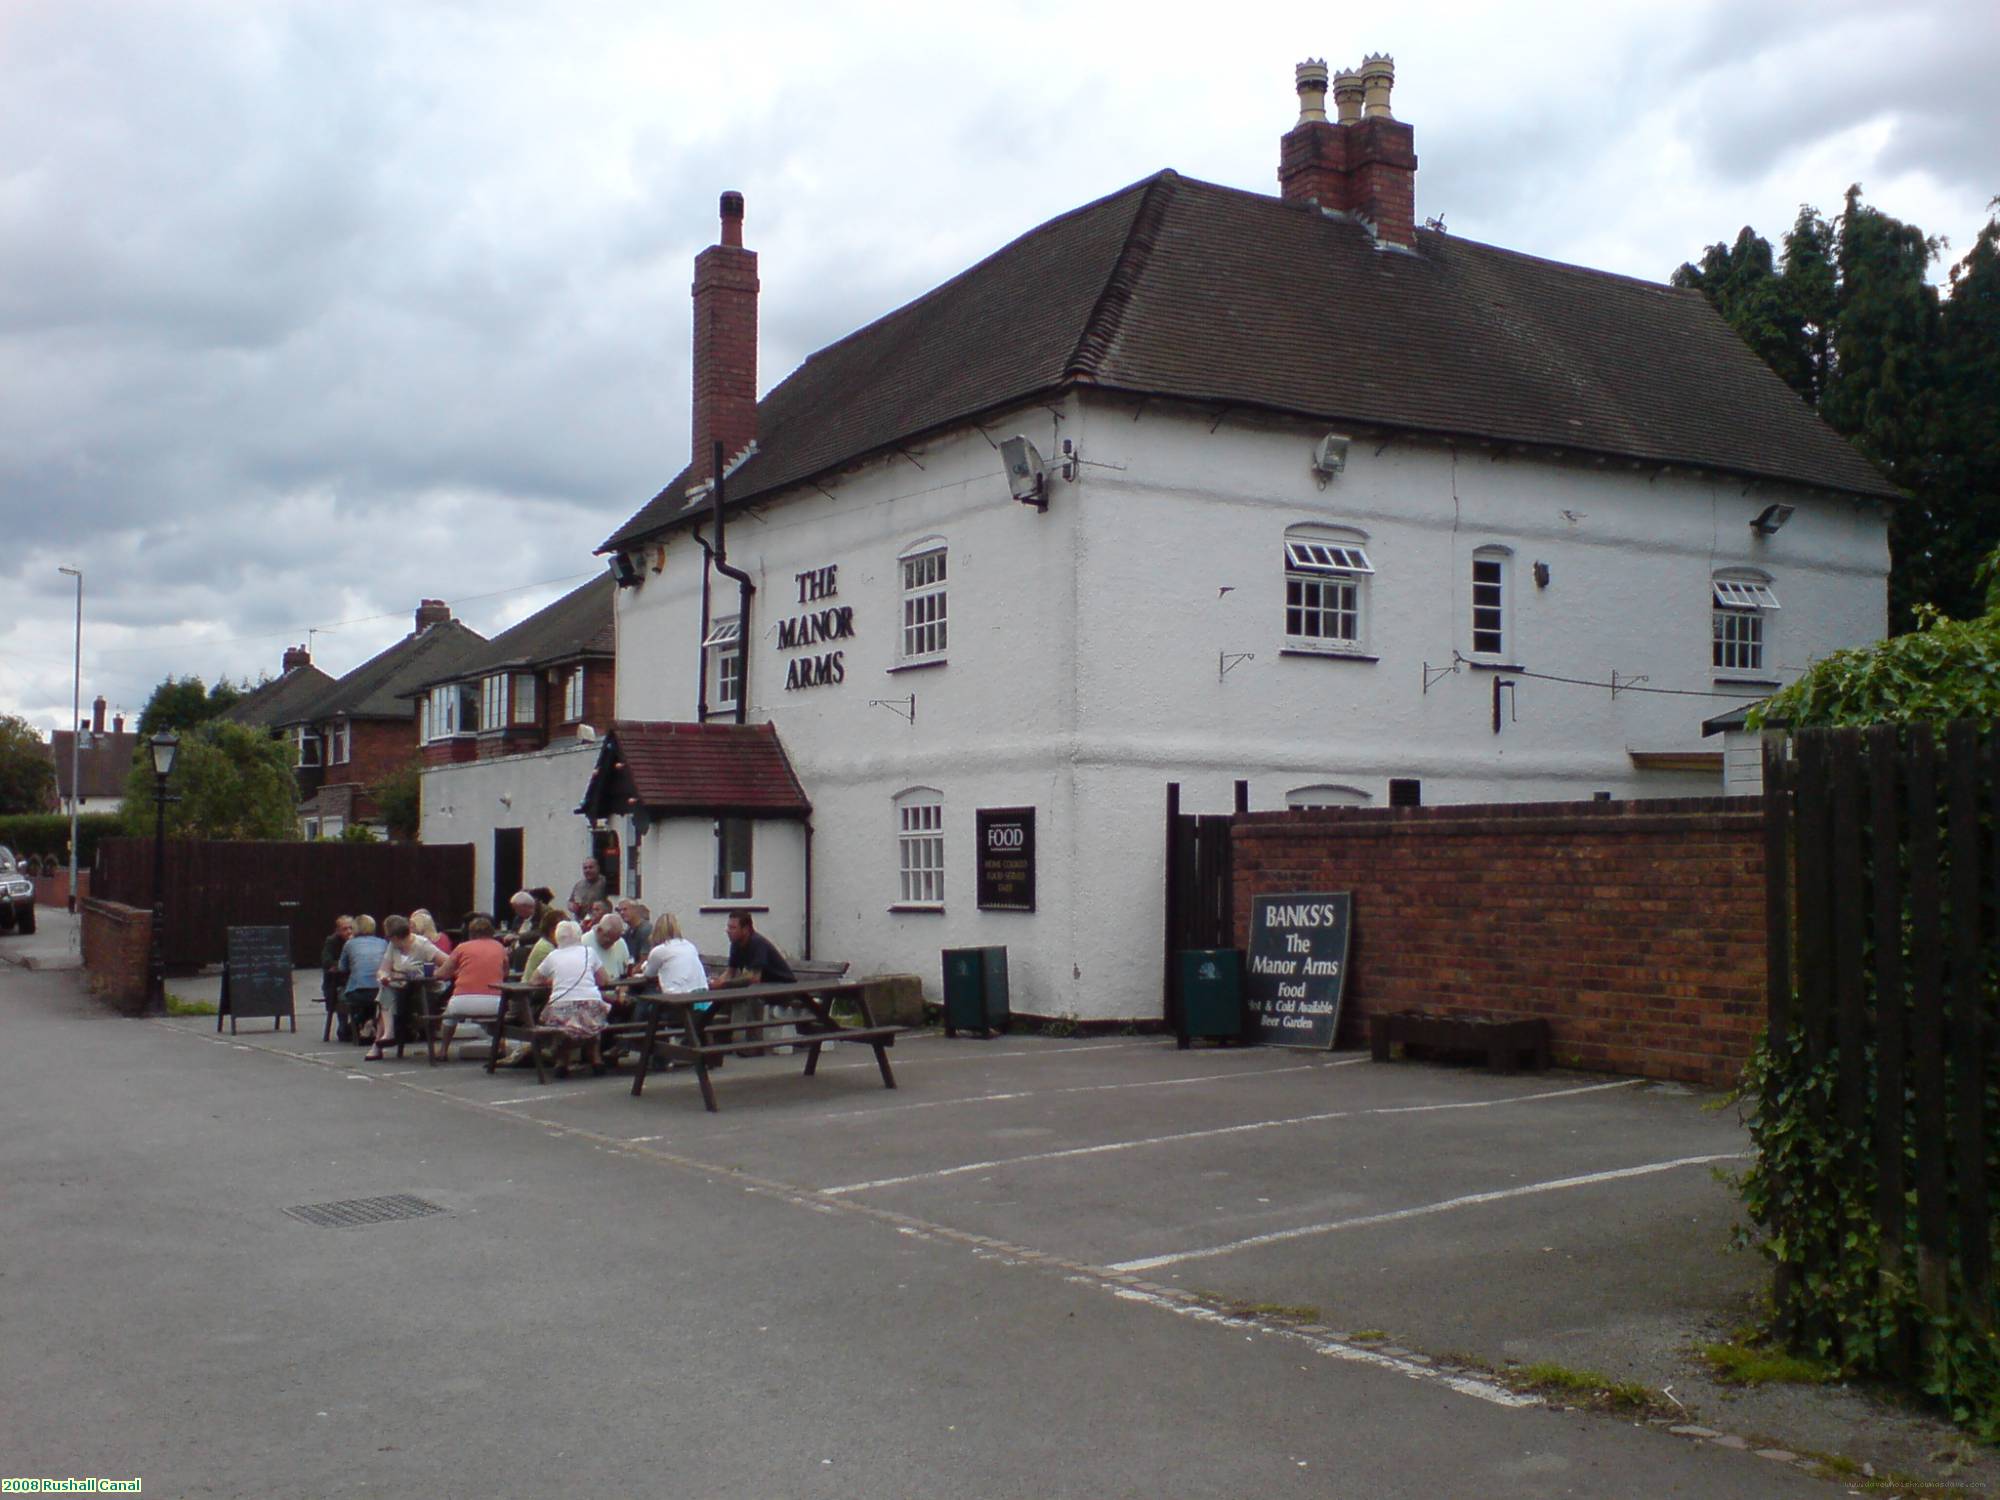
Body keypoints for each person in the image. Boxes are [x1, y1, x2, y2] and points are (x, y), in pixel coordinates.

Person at [365, 914, 454, 1063]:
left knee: (387, 995)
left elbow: (449, 962)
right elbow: (383, 969)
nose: (396, 944)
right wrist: (383, 977)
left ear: (395, 937)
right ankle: (387, 1034)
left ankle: (380, 1042)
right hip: (401, 990)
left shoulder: (422, 945)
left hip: (425, 992)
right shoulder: (393, 947)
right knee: (386, 989)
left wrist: (433, 973)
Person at [533, 920, 612, 1074]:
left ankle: (562, 1061)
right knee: (591, 1021)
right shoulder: (590, 952)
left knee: (564, 1025)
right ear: (579, 936)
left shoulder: (553, 956)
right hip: (590, 1005)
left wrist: (554, 980)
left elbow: (534, 980)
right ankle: (596, 1059)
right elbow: (604, 979)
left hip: (562, 1006)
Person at [434, 916, 507, 1061]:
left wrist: (434, 972)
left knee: (449, 1017)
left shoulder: (462, 947)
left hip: (463, 1000)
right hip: (493, 1002)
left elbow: (442, 974)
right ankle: (501, 1047)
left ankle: (443, 1050)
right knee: (500, 1017)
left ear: (470, 932)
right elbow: (505, 973)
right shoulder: (500, 948)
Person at [337, 916, 389, 1047]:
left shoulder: (349, 944)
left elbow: (342, 968)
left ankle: (351, 1027)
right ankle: (370, 1022)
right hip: (381, 989)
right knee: (375, 999)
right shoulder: (383, 943)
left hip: (358, 991)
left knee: (344, 995)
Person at [713, 910, 796, 987]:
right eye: (728, 927)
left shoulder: (758, 943)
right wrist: (715, 983)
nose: (728, 931)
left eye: (733, 928)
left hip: (784, 988)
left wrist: (724, 984)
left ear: (745, 929)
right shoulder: (736, 944)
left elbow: (754, 978)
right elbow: (730, 972)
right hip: (763, 989)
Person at [320, 915, 354, 1040]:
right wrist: (341, 965)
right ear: (338, 930)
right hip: (336, 982)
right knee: (342, 994)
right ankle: (343, 1027)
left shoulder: (358, 940)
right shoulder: (332, 941)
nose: (349, 932)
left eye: (351, 928)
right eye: (345, 929)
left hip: (354, 979)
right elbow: (326, 961)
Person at [518, 907, 566, 990]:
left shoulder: (551, 945)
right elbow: (558, 976)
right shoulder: (545, 948)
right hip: (531, 992)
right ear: (553, 930)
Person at [585, 911, 631, 980]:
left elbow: (626, 971)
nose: (612, 944)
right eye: (608, 941)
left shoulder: (620, 943)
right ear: (599, 930)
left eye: (614, 941)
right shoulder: (584, 943)